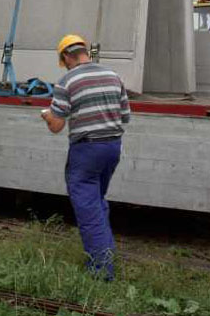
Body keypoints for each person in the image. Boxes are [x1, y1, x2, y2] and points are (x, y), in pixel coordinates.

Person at [40, 34, 129, 281]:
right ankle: (106, 254)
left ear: (66, 56)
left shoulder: (66, 82)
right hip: (112, 147)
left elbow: (57, 126)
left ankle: (101, 273)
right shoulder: (113, 76)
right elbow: (125, 117)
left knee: (88, 208)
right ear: (85, 51)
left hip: (86, 150)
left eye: (64, 61)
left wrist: (47, 115)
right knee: (97, 201)